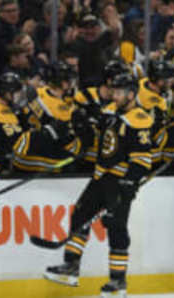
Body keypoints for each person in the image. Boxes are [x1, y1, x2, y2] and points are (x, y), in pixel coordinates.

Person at [44, 73, 153, 298]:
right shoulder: (111, 111)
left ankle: (117, 281)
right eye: (114, 90)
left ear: (132, 94)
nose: (115, 94)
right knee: (79, 216)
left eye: (120, 91)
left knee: (116, 227)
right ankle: (71, 267)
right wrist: (84, 123)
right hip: (100, 178)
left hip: (119, 182)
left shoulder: (139, 118)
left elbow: (142, 159)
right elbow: (99, 134)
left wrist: (130, 182)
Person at [12, 61, 81, 173]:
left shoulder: (38, 92)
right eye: (68, 79)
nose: (71, 82)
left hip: (37, 143)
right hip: (36, 148)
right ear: (61, 82)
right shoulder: (51, 104)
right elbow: (62, 131)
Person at [72, 59, 130, 168]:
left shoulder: (123, 104)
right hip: (83, 160)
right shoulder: (84, 96)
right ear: (109, 80)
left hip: (111, 161)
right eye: (121, 79)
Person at [136, 60, 174, 165]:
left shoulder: (144, 83)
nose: (169, 83)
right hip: (145, 152)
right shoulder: (148, 100)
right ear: (155, 79)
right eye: (166, 80)